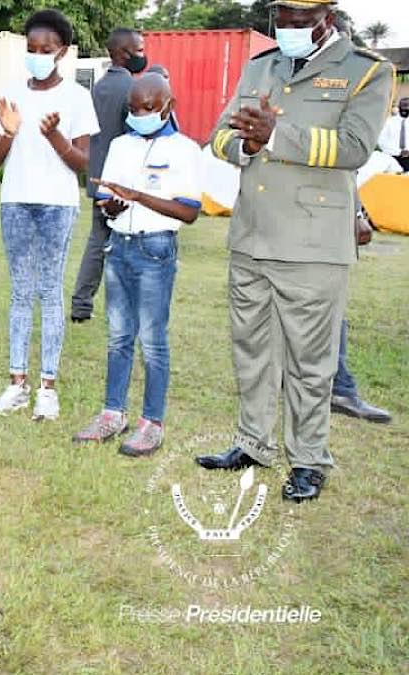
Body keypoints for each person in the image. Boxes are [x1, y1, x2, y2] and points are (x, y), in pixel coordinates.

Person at [196, 0, 395, 503]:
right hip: (252, 234)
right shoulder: (262, 66)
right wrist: (246, 146)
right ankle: (253, 443)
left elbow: (355, 147)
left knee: (310, 362)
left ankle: (308, 459)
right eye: (281, 20)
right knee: (252, 350)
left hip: (312, 243)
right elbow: (219, 137)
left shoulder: (367, 71)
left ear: (327, 20)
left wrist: (274, 136)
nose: (287, 29)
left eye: (300, 22)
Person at [73, 74, 203, 456]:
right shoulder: (120, 145)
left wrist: (139, 196)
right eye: (134, 109)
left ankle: (151, 423)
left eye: (148, 108)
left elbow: (189, 211)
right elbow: (108, 196)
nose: (140, 115)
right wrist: (112, 206)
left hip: (155, 250)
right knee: (118, 336)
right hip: (119, 246)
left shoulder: (184, 150)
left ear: (168, 106)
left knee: (152, 340)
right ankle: (112, 413)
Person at [0, 9, 98, 421]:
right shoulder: (13, 93)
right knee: (20, 292)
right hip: (16, 201)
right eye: (30, 48)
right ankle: (17, 383)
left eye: (45, 49)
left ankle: (47, 388)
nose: (37, 56)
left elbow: (82, 162)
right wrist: (9, 131)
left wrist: (54, 137)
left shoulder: (77, 98)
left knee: (50, 291)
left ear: (62, 52)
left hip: (57, 204)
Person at [70, 27, 147, 324]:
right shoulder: (133, 90)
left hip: (97, 178)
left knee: (98, 243)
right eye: (139, 50)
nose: (142, 55)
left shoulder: (98, 87)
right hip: (123, 183)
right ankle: (123, 306)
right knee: (126, 245)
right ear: (123, 53)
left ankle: (81, 304)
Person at [377, 97, 409, 171]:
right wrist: (398, 152)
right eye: (403, 106)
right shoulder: (389, 122)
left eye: (407, 107)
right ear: (399, 107)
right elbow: (381, 141)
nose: (405, 109)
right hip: (392, 157)